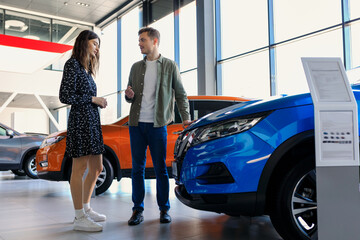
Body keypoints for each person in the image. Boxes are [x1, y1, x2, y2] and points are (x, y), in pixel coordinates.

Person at [125, 27, 192, 225]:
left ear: (155, 41)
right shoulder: (135, 67)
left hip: (158, 126)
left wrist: (186, 117)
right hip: (136, 124)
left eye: (143, 40)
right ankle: (137, 210)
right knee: (137, 169)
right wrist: (128, 96)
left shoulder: (170, 66)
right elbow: (131, 95)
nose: (139, 43)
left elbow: (181, 94)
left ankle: (164, 209)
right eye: (139, 40)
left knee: (161, 168)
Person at [59, 30, 108, 232]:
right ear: (83, 43)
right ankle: (79, 215)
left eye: (98, 45)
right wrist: (92, 99)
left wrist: (96, 102)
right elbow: (64, 96)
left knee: (97, 167)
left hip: (92, 121)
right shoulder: (72, 65)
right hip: (80, 122)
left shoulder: (86, 69)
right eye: (94, 43)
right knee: (79, 168)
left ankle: (86, 208)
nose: (97, 48)